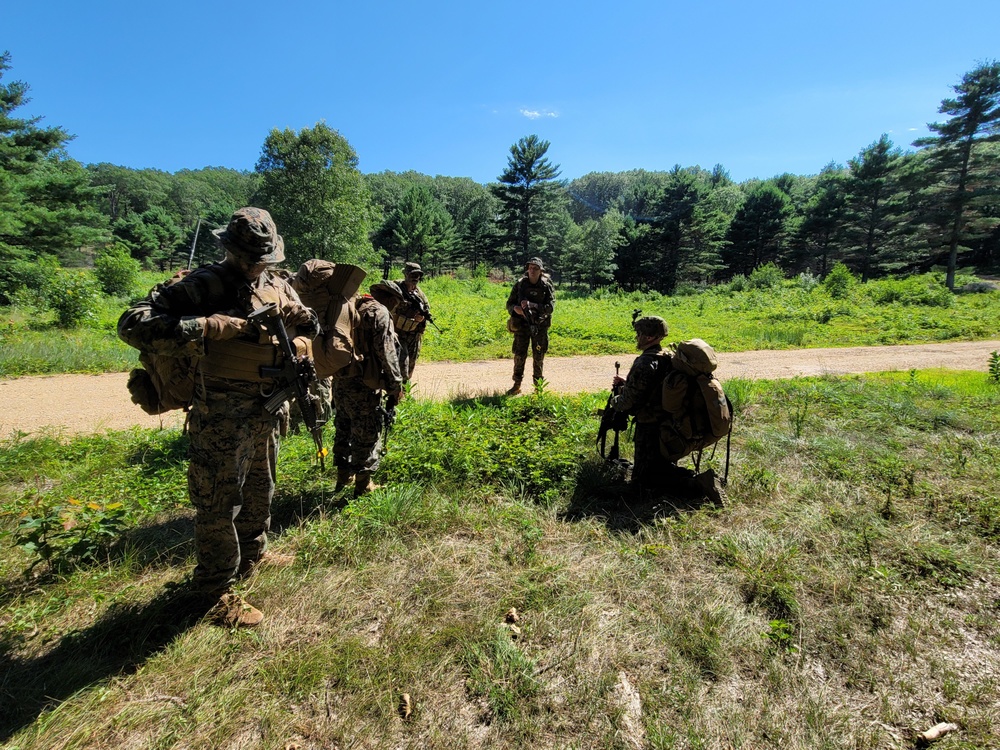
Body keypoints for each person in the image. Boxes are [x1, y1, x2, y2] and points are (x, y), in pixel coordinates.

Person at [118, 207, 319, 628]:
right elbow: (133, 324)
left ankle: (254, 552)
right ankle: (214, 590)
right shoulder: (203, 285)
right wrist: (207, 326)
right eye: (247, 258)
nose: (253, 266)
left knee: (262, 486)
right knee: (217, 500)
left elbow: (311, 326)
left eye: (262, 260)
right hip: (221, 413)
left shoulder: (277, 284)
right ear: (229, 249)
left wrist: (302, 330)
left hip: (268, 405)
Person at [330, 291, 405, 497]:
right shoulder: (379, 312)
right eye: (396, 305)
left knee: (343, 427)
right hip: (364, 384)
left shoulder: (351, 306)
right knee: (366, 433)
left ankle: (343, 476)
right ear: (390, 300)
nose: (395, 309)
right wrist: (395, 385)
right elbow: (386, 351)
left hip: (340, 380)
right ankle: (363, 485)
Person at [610, 316, 670, 491]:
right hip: (666, 421)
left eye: (639, 333)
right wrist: (626, 383)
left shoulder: (644, 362)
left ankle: (696, 484)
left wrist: (615, 401)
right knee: (660, 467)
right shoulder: (665, 356)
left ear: (650, 337)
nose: (637, 337)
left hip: (649, 424)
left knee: (641, 482)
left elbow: (627, 403)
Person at [371, 261, 430, 383]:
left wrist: (421, 318)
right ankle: (397, 392)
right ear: (406, 274)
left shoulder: (420, 294)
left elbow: (426, 310)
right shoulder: (396, 289)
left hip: (414, 335)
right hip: (399, 334)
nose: (415, 278)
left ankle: (405, 393)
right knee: (402, 363)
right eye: (413, 275)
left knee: (410, 365)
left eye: (418, 275)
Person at [505, 257, 555, 394]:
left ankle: (538, 387)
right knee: (519, 355)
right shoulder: (520, 284)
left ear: (541, 271)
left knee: (538, 356)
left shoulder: (546, 286)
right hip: (522, 326)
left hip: (540, 326)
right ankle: (517, 384)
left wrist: (534, 306)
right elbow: (509, 304)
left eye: (536, 268)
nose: (532, 270)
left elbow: (550, 307)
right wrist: (515, 309)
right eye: (530, 267)